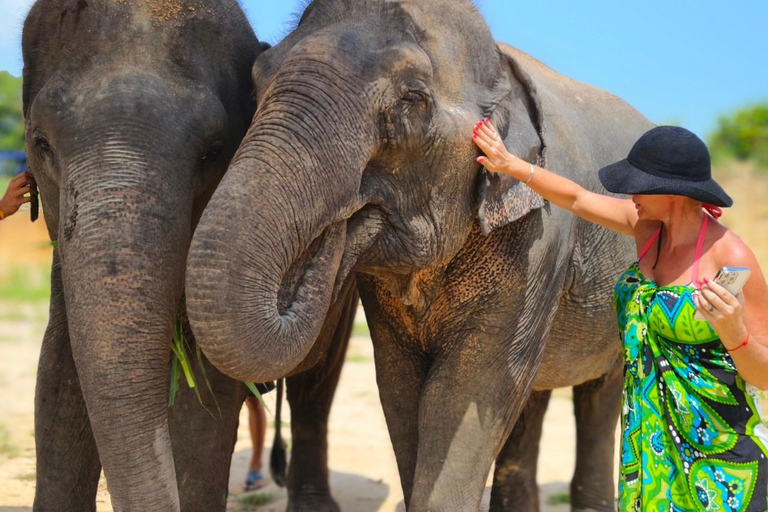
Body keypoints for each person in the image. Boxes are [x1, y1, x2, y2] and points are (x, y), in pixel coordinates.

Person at [472, 121, 768, 511]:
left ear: (674, 192)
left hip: (717, 454)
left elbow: (764, 375)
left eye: (638, 183)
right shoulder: (647, 229)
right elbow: (577, 199)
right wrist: (510, 165)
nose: (629, 192)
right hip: (648, 446)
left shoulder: (729, 256)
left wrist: (734, 333)